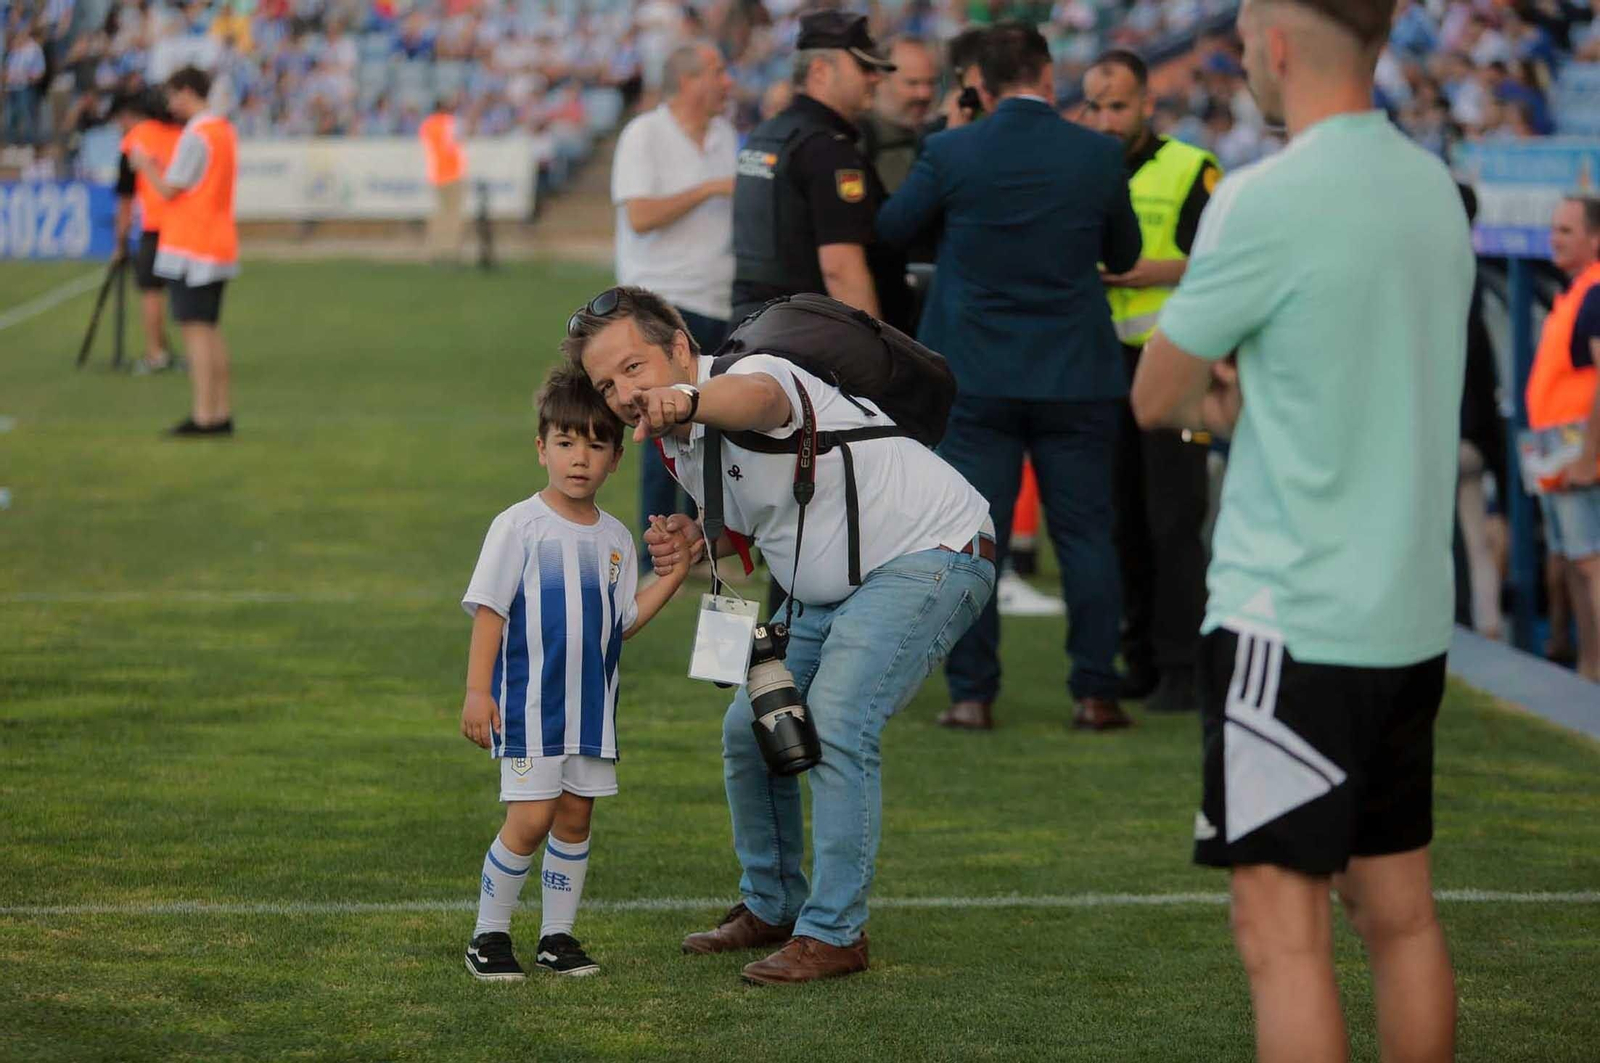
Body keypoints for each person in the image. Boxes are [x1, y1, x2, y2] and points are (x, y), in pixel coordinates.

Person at [1130, 0, 1474, 1057]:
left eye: (1242, 46)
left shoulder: (1261, 198)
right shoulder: (1433, 188)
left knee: (1281, 939)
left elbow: (1158, 394)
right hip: (1408, 616)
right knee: (1399, 917)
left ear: (1276, 46)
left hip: (1291, 616)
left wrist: (1218, 409)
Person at [565, 286, 994, 986]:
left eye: (634, 368)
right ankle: (773, 905)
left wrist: (691, 401)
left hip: (932, 553)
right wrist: (693, 544)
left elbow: (761, 405)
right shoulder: (679, 442)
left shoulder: (755, 373)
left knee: (838, 722)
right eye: (607, 383)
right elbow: (748, 543)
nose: (622, 393)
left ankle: (834, 933)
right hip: (825, 591)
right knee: (746, 730)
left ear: (679, 343)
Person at [877, 22, 1142, 733]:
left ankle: (973, 693)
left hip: (979, 373)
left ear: (978, 87)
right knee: (1087, 536)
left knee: (974, 538)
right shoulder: (1097, 153)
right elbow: (1125, 248)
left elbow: (894, 226)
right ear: (1049, 78)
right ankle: (1095, 690)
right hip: (1077, 374)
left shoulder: (952, 149)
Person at [459, 365, 696, 981]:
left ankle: (557, 937)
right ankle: (488, 935)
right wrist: (478, 692)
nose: (579, 459)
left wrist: (671, 573)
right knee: (530, 820)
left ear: (617, 457)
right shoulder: (519, 526)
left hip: (592, 710)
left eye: (596, 445)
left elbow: (623, 622)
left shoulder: (616, 539)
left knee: (575, 817)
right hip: (530, 707)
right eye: (566, 443)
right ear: (542, 448)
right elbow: (490, 611)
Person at [1082, 49, 1223, 714]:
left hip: (1171, 360)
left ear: (1146, 105)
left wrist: (1153, 272)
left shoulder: (1192, 166)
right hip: (1103, 364)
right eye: (1097, 106)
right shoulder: (1080, 166)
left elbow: (1223, 264)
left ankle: (1183, 667)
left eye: (1119, 106)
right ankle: (1138, 659)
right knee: (1122, 522)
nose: (1107, 119)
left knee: (1174, 520)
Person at [611, 39, 736, 560]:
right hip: (662, 303)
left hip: (719, 297)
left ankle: (702, 543)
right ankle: (656, 549)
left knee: (713, 426)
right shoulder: (645, 135)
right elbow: (639, 215)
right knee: (661, 427)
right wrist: (708, 189)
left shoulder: (727, 134)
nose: (727, 81)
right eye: (717, 70)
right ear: (688, 81)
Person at [730, 11, 910, 332]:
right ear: (820, 71)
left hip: (754, 331)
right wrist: (880, 354)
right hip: (807, 340)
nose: (876, 78)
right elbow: (841, 270)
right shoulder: (827, 149)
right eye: (864, 67)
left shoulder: (768, 134)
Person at [129, 65, 238, 438]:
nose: (171, 103)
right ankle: (219, 411)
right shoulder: (221, 130)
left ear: (189, 92)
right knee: (209, 330)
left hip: (194, 244)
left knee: (195, 332)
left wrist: (145, 166)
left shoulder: (197, 135)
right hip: (216, 240)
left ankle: (204, 415)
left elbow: (170, 189)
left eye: (174, 94)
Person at [1527, 195, 1600, 682]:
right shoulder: (1574, 292)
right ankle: (1585, 666)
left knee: (1591, 565)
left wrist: (1589, 458)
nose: (1555, 238)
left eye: (1567, 231)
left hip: (1580, 456)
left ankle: (1593, 669)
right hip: (1560, 452)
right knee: (1575, 564)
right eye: (1554, 229)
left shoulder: (1595, 292)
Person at [112, 90, 183, 376]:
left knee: (151, 291)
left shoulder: (135, 139)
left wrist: (120, 241)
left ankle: (156, 353)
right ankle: (182, 352)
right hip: (182, 224)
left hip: (153, 226)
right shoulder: (183, 135)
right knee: (183, 294)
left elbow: (126, 197)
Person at [859, 37, 937, 194]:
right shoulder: (858, 139)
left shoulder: (933, 134)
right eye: (912, 83)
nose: (924, 94)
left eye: (930, 83)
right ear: (880, 81)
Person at [419, 96, 466, 264]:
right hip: (453, 174)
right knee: (453, 215)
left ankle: (435, 250)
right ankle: (451, 251)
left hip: (436, 174)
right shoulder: (452, 123)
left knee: (439, 214)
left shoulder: (428, 124)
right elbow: (459, 140)